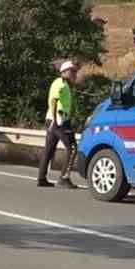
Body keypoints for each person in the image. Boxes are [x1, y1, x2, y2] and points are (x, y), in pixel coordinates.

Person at [38, 59, 81, 189]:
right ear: (64, 72)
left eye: (75, 71)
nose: (75, 74)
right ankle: (64, 178)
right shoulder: (60, 83)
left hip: (56, 121)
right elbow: (53, 100)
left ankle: (41, 178)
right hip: (58, 122)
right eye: (72, 71)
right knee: (72, 148)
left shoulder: (65, 84)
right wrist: (56, 122)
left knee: (49, 150)